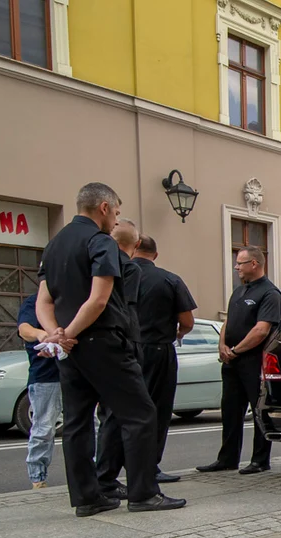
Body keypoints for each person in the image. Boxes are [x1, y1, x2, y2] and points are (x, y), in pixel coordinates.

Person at [36, 183, 184, 515]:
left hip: (71, 351)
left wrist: (56, 334)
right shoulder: (99, 242)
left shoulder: (54, 245)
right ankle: (144, 493)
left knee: (76, 421)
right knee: (140, 413)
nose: (116, 220)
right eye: (116, 212)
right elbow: (99, 298)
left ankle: (88, 499)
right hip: (102, 342)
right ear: (103, 208)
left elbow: (44, 301)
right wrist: (70, 332)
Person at [197, 246, 281, 475]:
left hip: (253, 361)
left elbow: (261, 330)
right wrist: (222, 346)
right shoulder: (239, 292)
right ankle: (227, 459)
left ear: (254, 264)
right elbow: (228, 321)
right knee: (230, 410)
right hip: (232, 361)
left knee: (258, 411)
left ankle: (260, 460)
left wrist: (235, 351)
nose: (236, 267)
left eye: (240, 263)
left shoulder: (270, 294)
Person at [133, 234, 197, 482]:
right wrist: (178, 333)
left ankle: (110, 470)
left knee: (121, 410)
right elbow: (187, 321)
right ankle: (149, 467)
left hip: (125, 349)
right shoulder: (170, 280)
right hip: (158, 350)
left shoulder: (119, 276)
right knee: (157, 409)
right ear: (155, 255)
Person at [94, 219, 142, 499]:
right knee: (135, 415)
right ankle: (120, 481)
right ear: (135, 245)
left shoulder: (95, 262)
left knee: (106, 415)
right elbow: (128, 308)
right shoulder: (129, 268)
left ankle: (103, 477)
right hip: (121, 343)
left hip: (94, 345)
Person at [17, 294, 61, 490]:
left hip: (77, 373)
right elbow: (24, 329)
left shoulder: (74, 297)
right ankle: (38, 479)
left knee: (91, 425)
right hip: (45, 375)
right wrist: (41, 334)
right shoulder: (34, 302)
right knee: (44, 428)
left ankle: (96, 473)